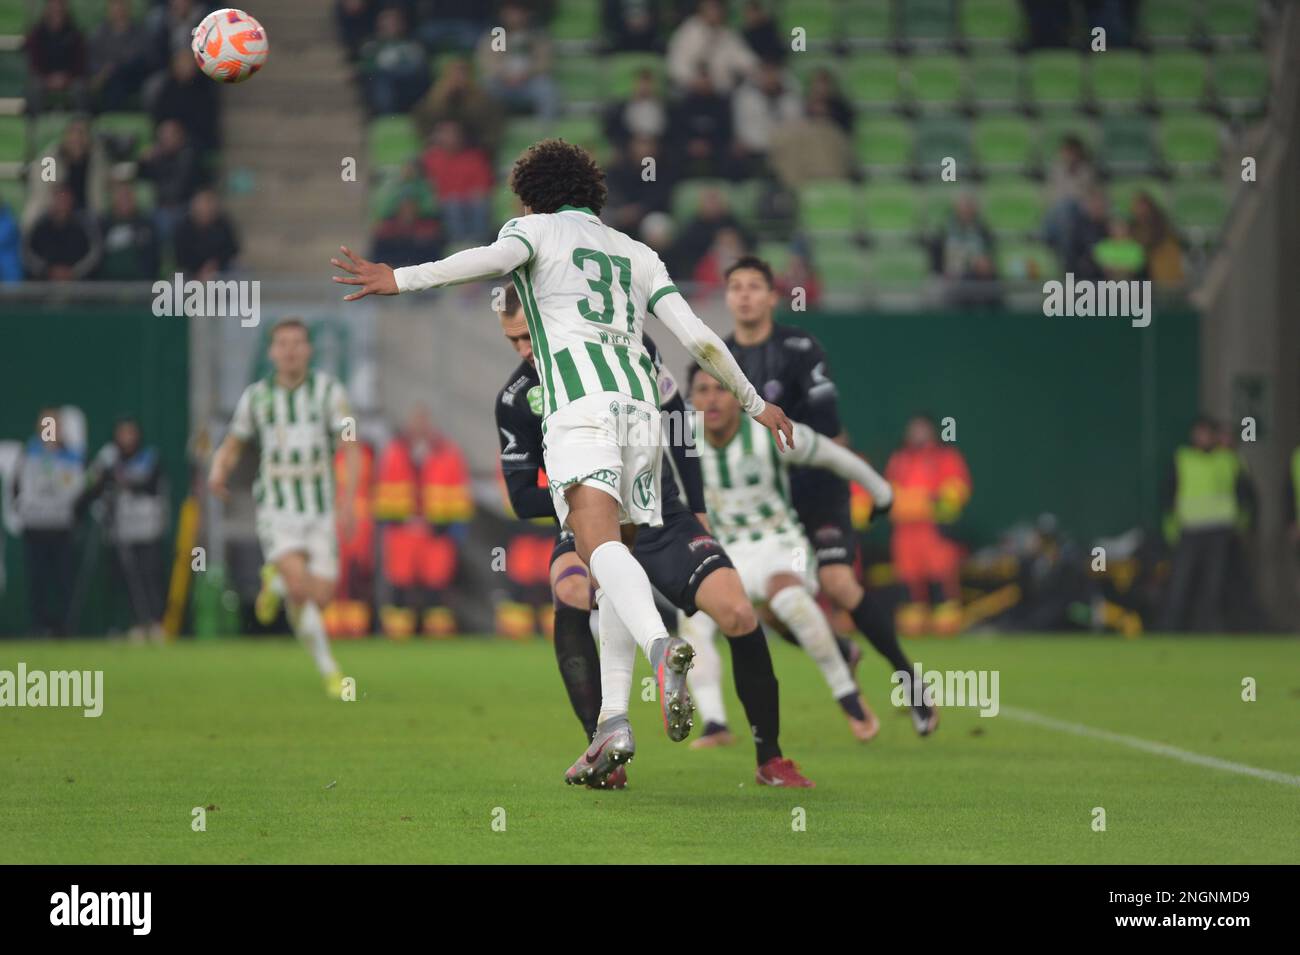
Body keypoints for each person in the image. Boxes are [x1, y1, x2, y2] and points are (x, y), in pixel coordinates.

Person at [331, 137, 795, 786]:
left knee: (591, 539)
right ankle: (612, 718)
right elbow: (699, 337)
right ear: (590, 191)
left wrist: (399, 279)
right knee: (616, 560)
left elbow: (483, 261)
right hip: (642, 406)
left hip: (580, 405)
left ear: (531, 195)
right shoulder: (635, 251)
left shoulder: (533, 231)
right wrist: (755, 402)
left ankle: (662, 650)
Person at [495, 285, 813, 787]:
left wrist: (699, 509)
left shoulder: (631, 348)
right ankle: (601, 748)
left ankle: (770, 758)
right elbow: (518, 496)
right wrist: (572, 502)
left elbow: (679, 422)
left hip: (661, 512)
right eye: (512, 341)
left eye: (527, 335)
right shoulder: (517, 400)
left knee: (739, 612)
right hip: (588, 519)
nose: (524, 350)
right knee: (571, 589)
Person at [723, 255, 938, 734]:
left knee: (839, 583)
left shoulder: (799, 348)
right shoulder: (720, 357)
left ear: (773, 296)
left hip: (815, 488)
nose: (744, 295)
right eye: (735, 286)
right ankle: (842, 651)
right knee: (762, 603)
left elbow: (827, 430)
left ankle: (910, 681)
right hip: (761, 505)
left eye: (755, 286)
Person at [686, 364, 893, 741]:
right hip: (722, 554)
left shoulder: (767, 432)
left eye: (721, 388)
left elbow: (833, 455)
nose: (711, 398)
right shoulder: (681, 438)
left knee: (789, 601)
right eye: (701, 390)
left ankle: (847, 694)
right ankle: (715, 722)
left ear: (738, 396)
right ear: (690, 398)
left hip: (780, 545)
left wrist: (881, 492)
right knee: (695, 624)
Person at [208, 319, 362, 697]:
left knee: (320, 596)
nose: (290, 350)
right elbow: (233, 442)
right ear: (271, 352)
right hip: (278, 509)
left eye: (297, 343)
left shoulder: (329, 392)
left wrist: (348, 499)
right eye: (282, 344)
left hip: (320, 507)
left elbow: (350, 444)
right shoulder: (257, 397)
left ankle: (273, 580)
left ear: (309, 350)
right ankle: (331, 672)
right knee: (300, 588)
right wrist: (218, 469)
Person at [77, 417, 168, 641]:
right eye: (122, 434)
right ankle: (135, 624)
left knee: (150, 577)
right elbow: (91, 488)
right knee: (125, 579)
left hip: (147, 529)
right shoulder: (109, 460)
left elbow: (146, 483)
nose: (127, 439)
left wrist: (119, 476)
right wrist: (101, 472)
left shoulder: (149, 458)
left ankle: (155, 623)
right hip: (122, 531)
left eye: (131, 434)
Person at [1159, 415, 1254, 632]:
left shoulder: (1228, 459)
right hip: (1190, 530)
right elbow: (1168, 495)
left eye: (1207, 433)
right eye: (1199, 432)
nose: (1202, 437)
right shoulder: (1183, 458)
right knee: (1180, 583)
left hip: (1219, 532)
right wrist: (1171, 529)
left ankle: (1211, 630)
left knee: (1214, 585)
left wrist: (1242, 526)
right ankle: (1170, 629)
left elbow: (1246, 494)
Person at [885, 415, 972, 636]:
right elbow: (888, 493)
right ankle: (913, 625)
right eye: (914, 429)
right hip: (905, 534)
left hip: (934, 532)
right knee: (908, 580)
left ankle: (946, 624)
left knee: (940, 577)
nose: (917, 433)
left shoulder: (945, 457)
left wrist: (930, 504)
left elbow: (956, 490)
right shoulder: (900, 459)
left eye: (922, 429)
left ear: (932, 431)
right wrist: (913, 503)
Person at [12, 408, 84, 636]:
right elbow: (16, 486)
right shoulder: (29, 452)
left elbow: (80, 490)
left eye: (54, 425)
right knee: (38, 582)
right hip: (35, 527)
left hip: (61, 527)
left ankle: (65, 628)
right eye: (46, 425)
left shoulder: (71, 456)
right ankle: (38, 627)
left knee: (63, 581)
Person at [23, 185, 101, 281]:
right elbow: (27, 252)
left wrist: (74, 272)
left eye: (66, 199)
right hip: (43, 284)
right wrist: (47, 270)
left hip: (78, 285)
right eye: (59, 198)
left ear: (72, 200)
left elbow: (94, 253)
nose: (62, 203)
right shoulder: (40, 226)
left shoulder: (84, 226)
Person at [25, 0, 88, 114]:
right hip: (44, 78)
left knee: (80, 88)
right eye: (53, 5)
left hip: (70, 78)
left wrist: (66, 78)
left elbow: (80, 63)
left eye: (60, 5)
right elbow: (33, 62)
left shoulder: (76, 33)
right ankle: (34, 126)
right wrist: (47, 79)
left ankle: (81, 122)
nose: (57, 9)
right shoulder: (37, 33)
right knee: (34, 87)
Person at [97, 182, 161, 280]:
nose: (125, 201)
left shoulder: (146, 225)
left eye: (128, 196)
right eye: (121, 197)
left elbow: (153, 258)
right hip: (107, 283)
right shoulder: (103, 226)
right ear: (114, 199)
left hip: (139, 283)